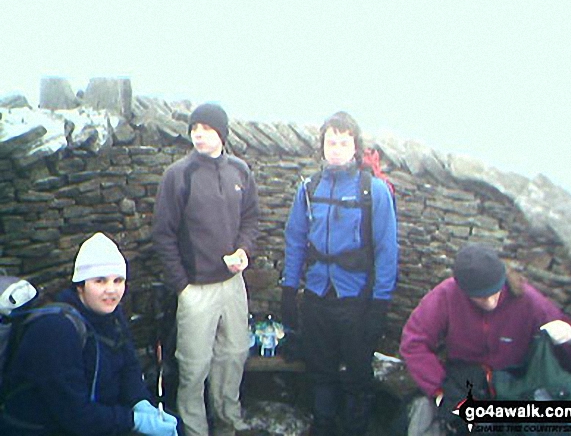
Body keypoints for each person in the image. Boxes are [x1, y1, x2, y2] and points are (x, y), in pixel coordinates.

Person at [281, 111, 398, 436]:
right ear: (321, 146)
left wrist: (380, 305)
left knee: (358, 375)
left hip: (356, 299)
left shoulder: (373, 192)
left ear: (355, 147)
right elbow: (295, 240)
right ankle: (323, 425)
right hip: (317, 296)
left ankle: (355, 430)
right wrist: (289, 290)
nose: (335, 148)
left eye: (343, 142)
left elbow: (387, 250)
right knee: (320, 371)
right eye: (330, 142)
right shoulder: (308, 189)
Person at [0, 232, 179, 436]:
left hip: (93, 418)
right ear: (80, 285)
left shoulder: (111, 314)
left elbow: (128, 364)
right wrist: (133, 421)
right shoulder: (55, 329)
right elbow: (74, 414)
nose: (111, 290)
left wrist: (141, 402)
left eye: (118, 280)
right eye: (100, 281)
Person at [400, 242, 571, 435]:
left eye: (495, 293)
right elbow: (414, 342)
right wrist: (439, 389)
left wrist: (570, 339)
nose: (490, 303)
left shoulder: (529, 300)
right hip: (464, 380)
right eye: (480, 298)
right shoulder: (446, 296)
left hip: (517, 384)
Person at [152, 103, 259, 436]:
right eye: (195, 128)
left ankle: (229, 422)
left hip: (233, 283)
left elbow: (251, 219)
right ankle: (195, 429)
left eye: (207, 128)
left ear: (222, 133)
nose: (199, 134)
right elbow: (163, 233)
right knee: (194, 365)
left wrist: (243, 250)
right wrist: (182, 285)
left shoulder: (240, 171)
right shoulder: (178, 175)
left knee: (234, 355)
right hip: (196, 288)